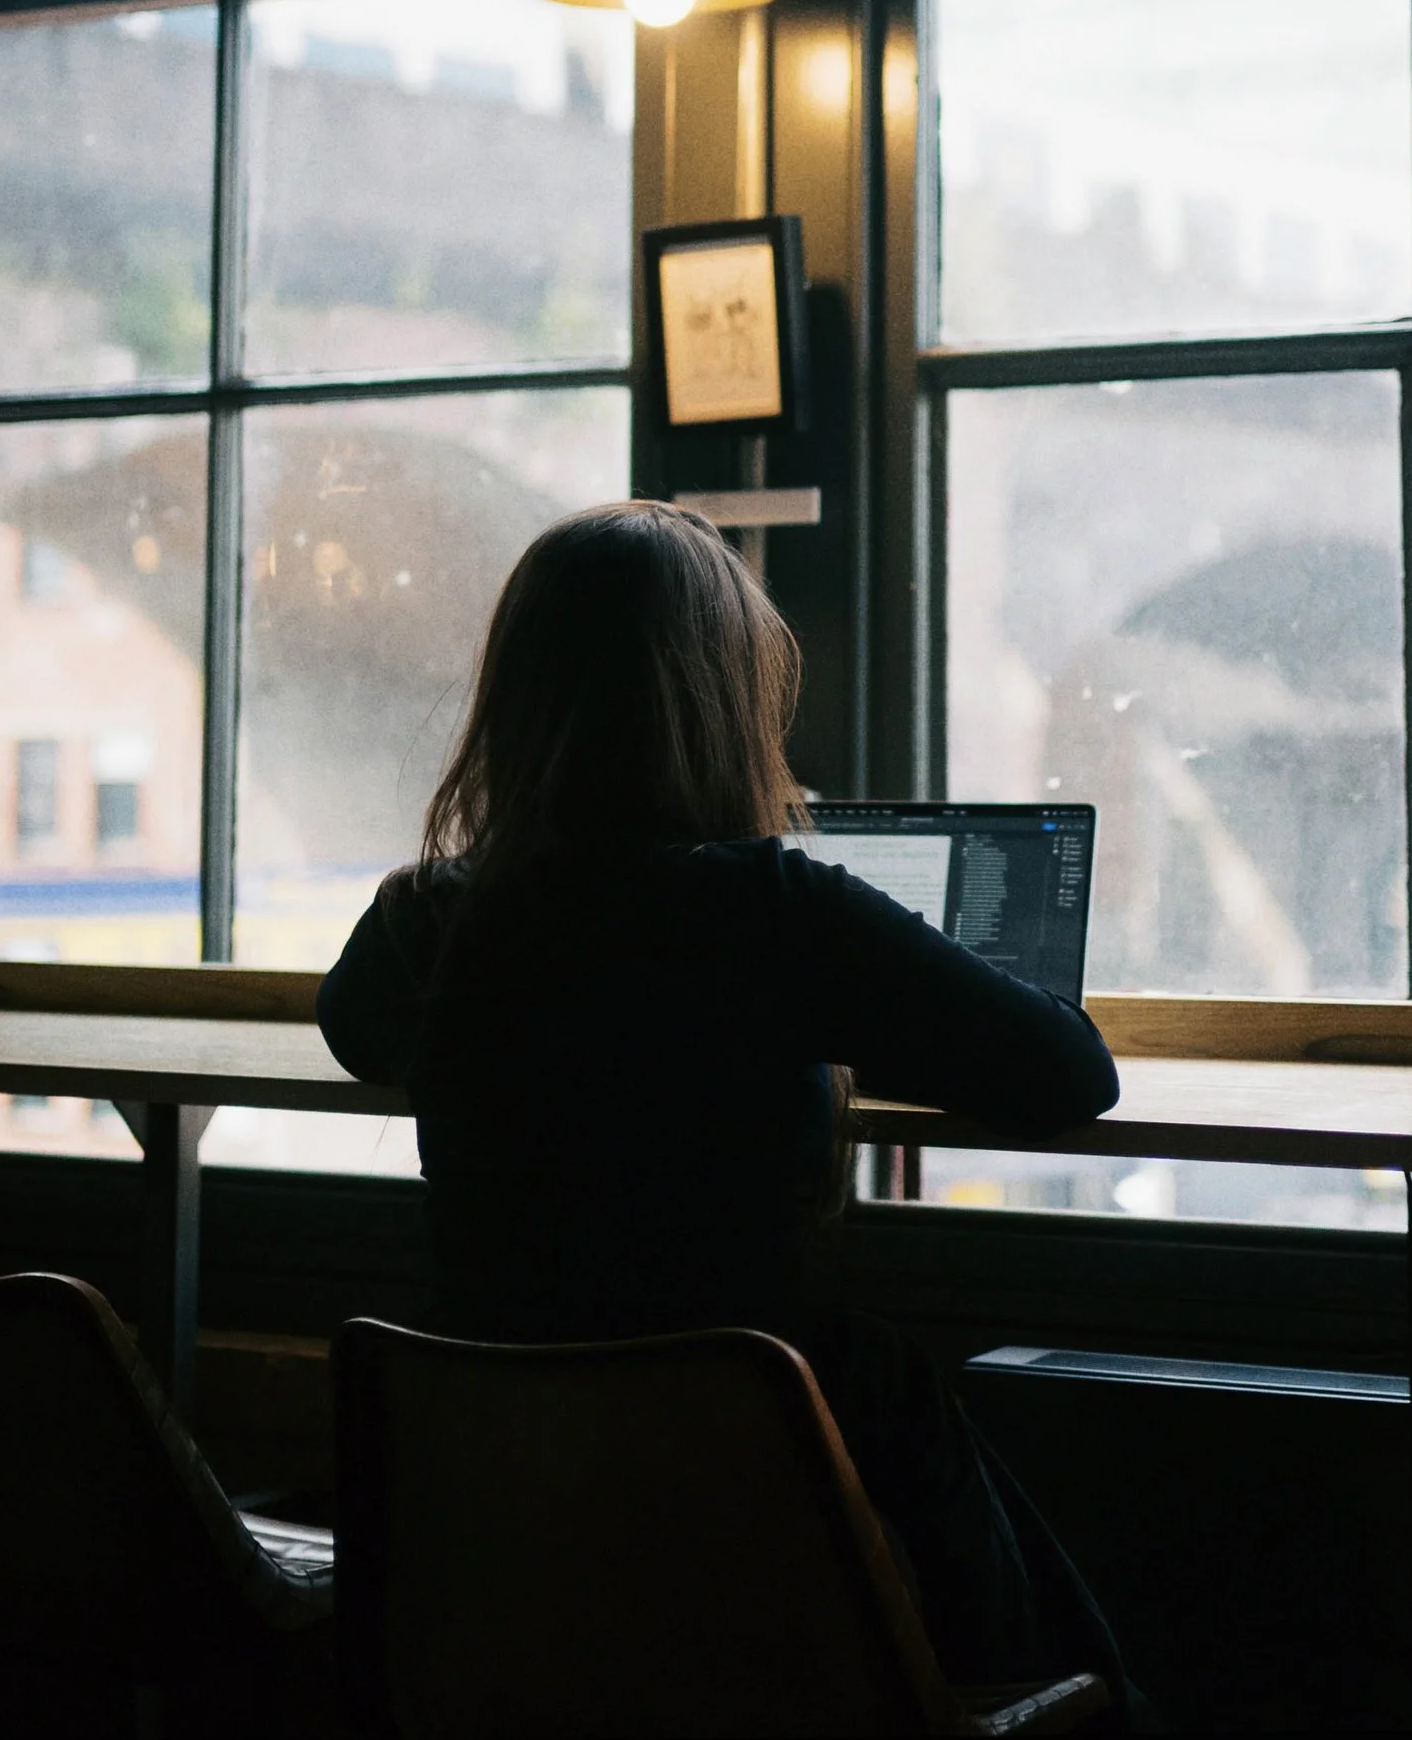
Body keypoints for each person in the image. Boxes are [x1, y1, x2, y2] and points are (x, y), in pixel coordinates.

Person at [317, 499, 1133, 1704]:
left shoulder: (429, 912)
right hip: (758, 1445)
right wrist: (858, 1021)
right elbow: (1071, 1071)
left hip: (514, 1491)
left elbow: (355, 1031)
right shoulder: (773, 911)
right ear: (717, 700)